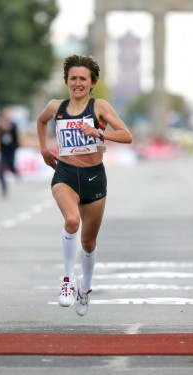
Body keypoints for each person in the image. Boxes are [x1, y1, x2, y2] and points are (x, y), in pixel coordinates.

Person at [37, 55, 132, 316]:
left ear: (91, 83)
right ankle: (68, 280)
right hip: (65, 174)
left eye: (82, 79)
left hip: (93, 178)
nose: (77, 83)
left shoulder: (99, 106)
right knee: (71, 221)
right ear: (67, 81)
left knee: (88, 242)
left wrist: (100, 132)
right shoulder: (56, 106)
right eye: (73, 79)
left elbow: (127, 135)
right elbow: (41, 121)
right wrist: (44, 149)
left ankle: (85, 287)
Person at [0, 108, 20, 196]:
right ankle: (3, 188)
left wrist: (7, 127)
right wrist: (1, 128)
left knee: (11, 166)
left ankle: (16, 173)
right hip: (3, 151)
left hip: (11, 151)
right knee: (1, 169)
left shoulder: (13, 125)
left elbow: (14, 133)